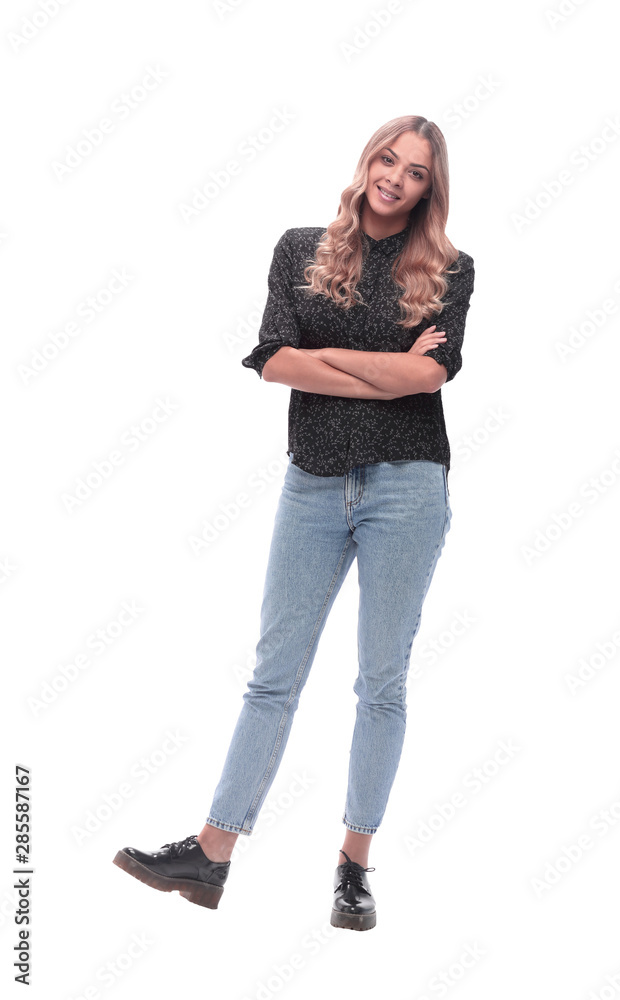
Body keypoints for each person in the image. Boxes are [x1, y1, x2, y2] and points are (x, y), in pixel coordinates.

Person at [113, 114, 475, 932]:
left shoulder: (450, 269)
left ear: (430, 188)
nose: (394, 178)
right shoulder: (300, 250)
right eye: (387, 159)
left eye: (415, 171)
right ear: (367, 160)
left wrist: (335, 365)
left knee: (380, 683)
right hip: (311, 483)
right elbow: (273, 360)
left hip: (407, 486)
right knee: (272, 676)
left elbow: (429, 377)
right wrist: (385, 370)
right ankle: (211, 854)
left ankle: (353, 867)